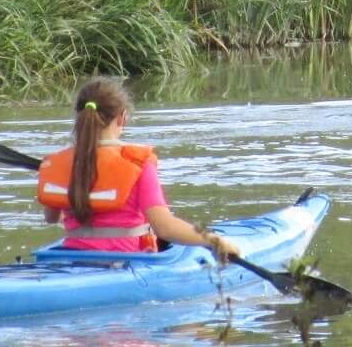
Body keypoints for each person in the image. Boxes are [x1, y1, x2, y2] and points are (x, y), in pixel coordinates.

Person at [35, 77, 240, 258]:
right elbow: (164, 227)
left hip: (71, 258)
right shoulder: (137, 163)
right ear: (122, 117)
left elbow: (52, 218)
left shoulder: (60, 163)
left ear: (79, 116)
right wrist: (214, 240)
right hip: (126, 261)